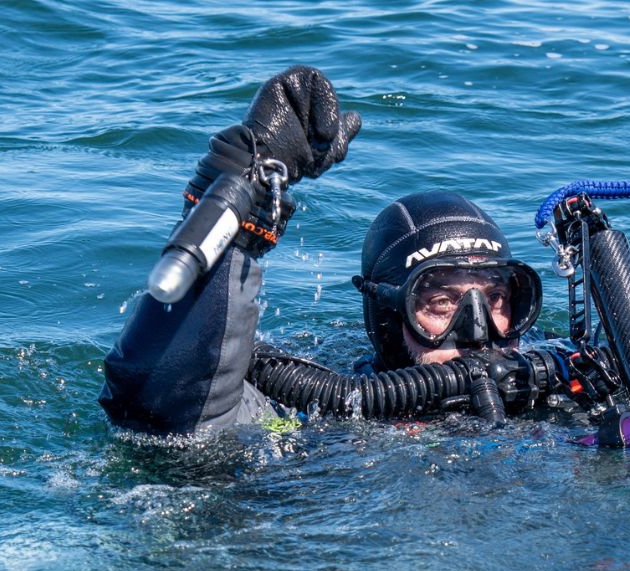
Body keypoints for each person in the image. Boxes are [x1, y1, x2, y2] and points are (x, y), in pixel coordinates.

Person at [100, 66, 542, 436]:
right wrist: (240, 185)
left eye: (498, 299)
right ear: (389, 318)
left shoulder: (562, 383)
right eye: (441, 302)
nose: (479, 331)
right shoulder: (316, 423)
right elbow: (168, 399)